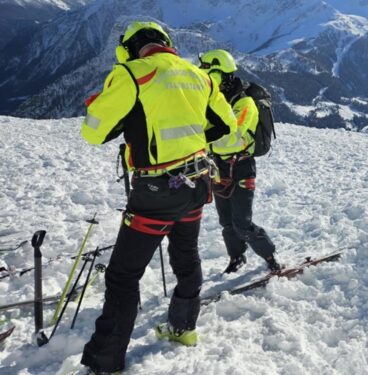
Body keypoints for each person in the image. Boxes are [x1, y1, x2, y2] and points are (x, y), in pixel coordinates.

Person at [79, 22, 237, 373]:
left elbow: (93, 132)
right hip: (197, 183)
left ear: (131, 48)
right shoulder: (201, 76)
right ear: (166, 43)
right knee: (186, 256)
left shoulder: (131, 74)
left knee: (123, 275)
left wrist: (112, 114)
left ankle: (106, 359)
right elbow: (226, 127)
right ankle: (183, 329)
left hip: (155, 190)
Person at [197, 49, 282, 274]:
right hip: (218, 166)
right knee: (226, 221)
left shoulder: (245, 103)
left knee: (242, 223)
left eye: (207, 71)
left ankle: (270, 255)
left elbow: (233, 137)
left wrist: (203, 136)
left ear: (218, 73)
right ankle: (236, 257)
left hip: (241, 166)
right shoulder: (212, 99)